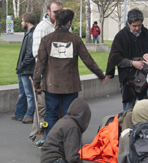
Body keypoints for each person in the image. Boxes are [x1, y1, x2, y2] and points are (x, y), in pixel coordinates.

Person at [33, 8, 106, 140]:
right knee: (70, 116)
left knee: (50, 115)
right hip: (70, 86)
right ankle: (69, 142)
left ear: (57, 21)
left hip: (51, 85)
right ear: (69, 23)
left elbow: (40, 63)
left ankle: (50, 143)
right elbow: (88, 60)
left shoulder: (46, 40)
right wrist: (100, 75)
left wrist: (36, 83)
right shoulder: (75, 40)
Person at [105, 8, 148, 111]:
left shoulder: (147, 34)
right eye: (134, 26)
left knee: (146, 109)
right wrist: (132, 63)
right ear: (128, 23)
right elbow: (115, 56)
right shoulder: (121, 36)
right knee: (128, 110)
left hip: (145, 77)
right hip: (127, 79)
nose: (137, 28)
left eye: (139, 25)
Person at [29, 0, 63, 146]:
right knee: (43, 107)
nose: (58, 14)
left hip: (60, 76)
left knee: (57, 107)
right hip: (45, 75)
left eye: (61, 12)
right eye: (56, 12)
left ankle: (55, 136)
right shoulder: (42, 27)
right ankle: (39, 136)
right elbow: (36, 54)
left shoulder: (62, 26)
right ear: (48, 12)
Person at [12, 13, 37, 124]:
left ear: (27, 22)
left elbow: (29, 54)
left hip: (26, 70)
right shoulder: (28, 34)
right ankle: (19, 114)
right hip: (23, 69)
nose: (21, 23)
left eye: (22, 21)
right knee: (23, 93)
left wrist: (22, 66)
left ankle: (30, 115)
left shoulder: (31, 35)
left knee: (29, 94)